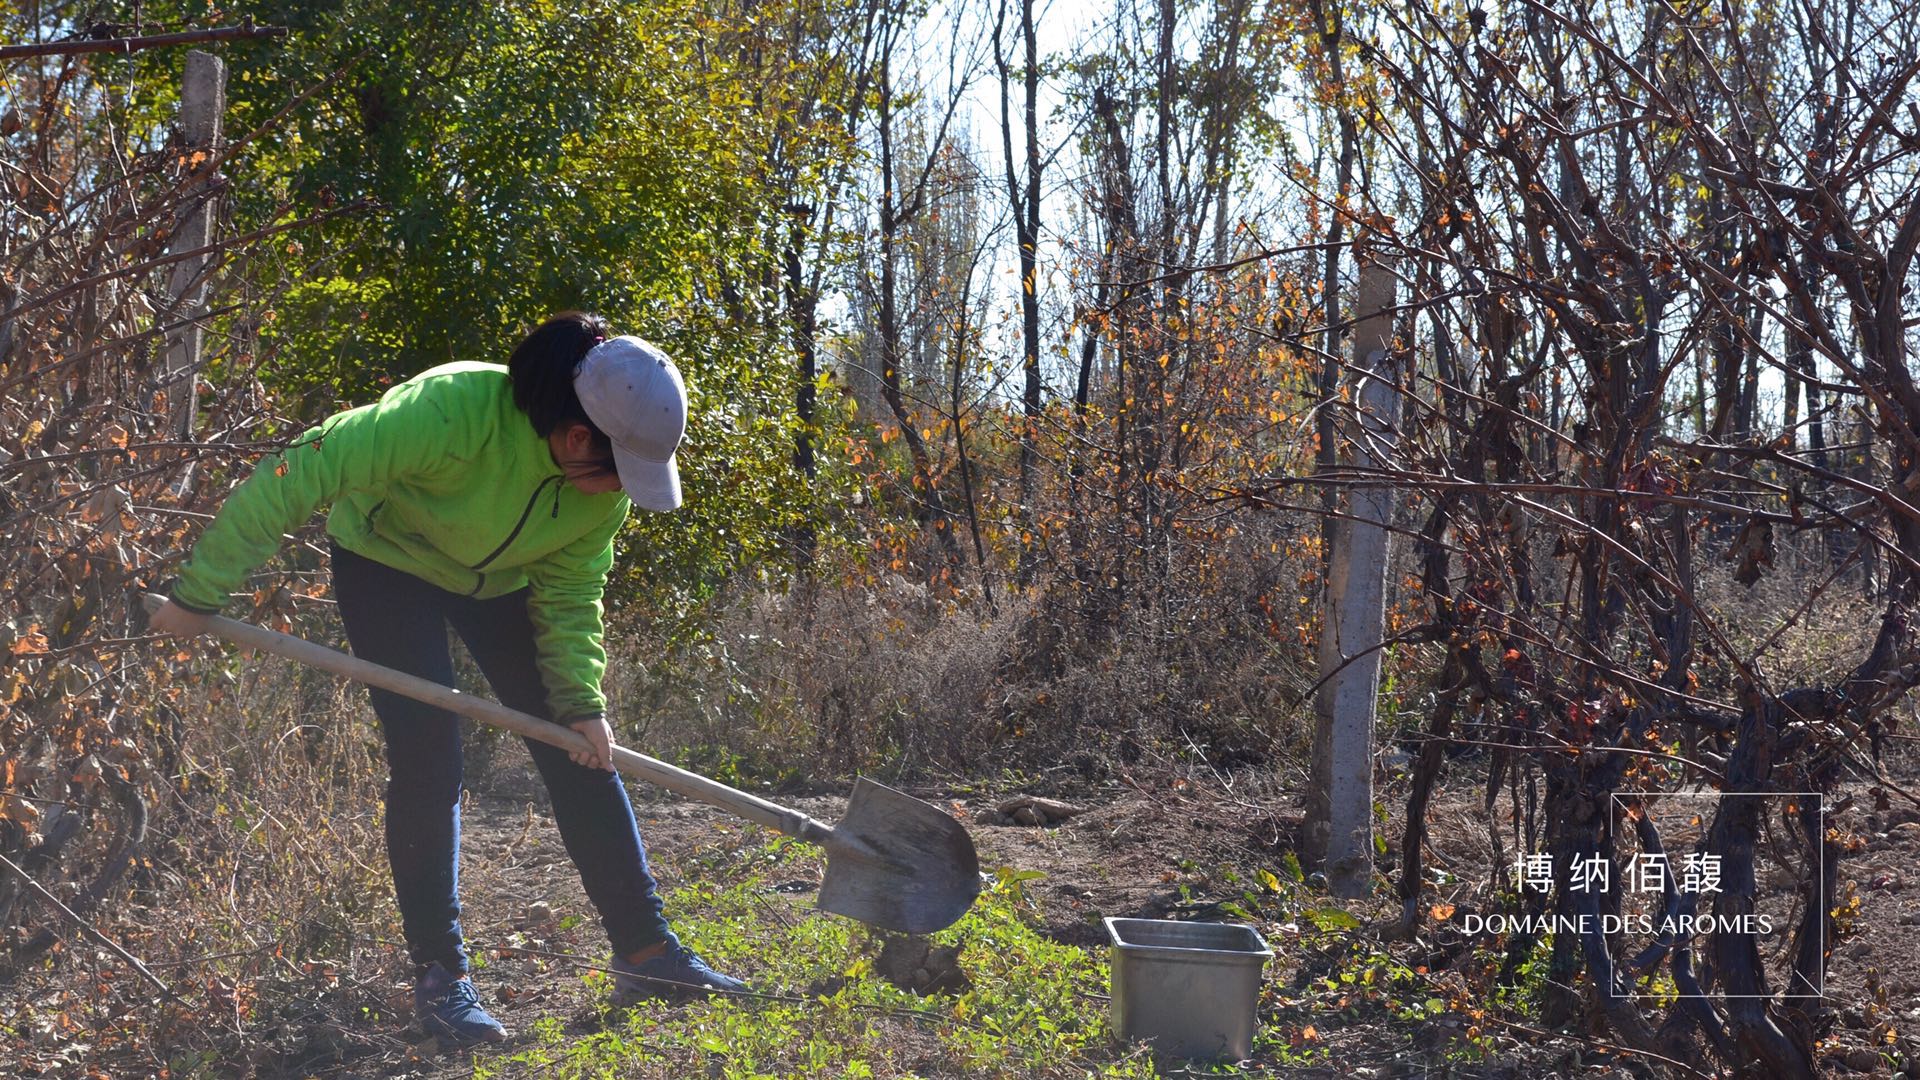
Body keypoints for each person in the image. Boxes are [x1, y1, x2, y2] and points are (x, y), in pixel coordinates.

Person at [149, 310, 747, 1045]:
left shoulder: (600, 494)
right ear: (577, 435)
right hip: (385, 563)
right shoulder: (452, 410)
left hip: (498, 583)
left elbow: (569, 595)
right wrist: (197, 594)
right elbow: (302, 466)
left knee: (580, 752)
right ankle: (442, 981)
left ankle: (649, 954)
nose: (615, 491)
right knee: (431, 758)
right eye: (616, 473)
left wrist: (581, 703)